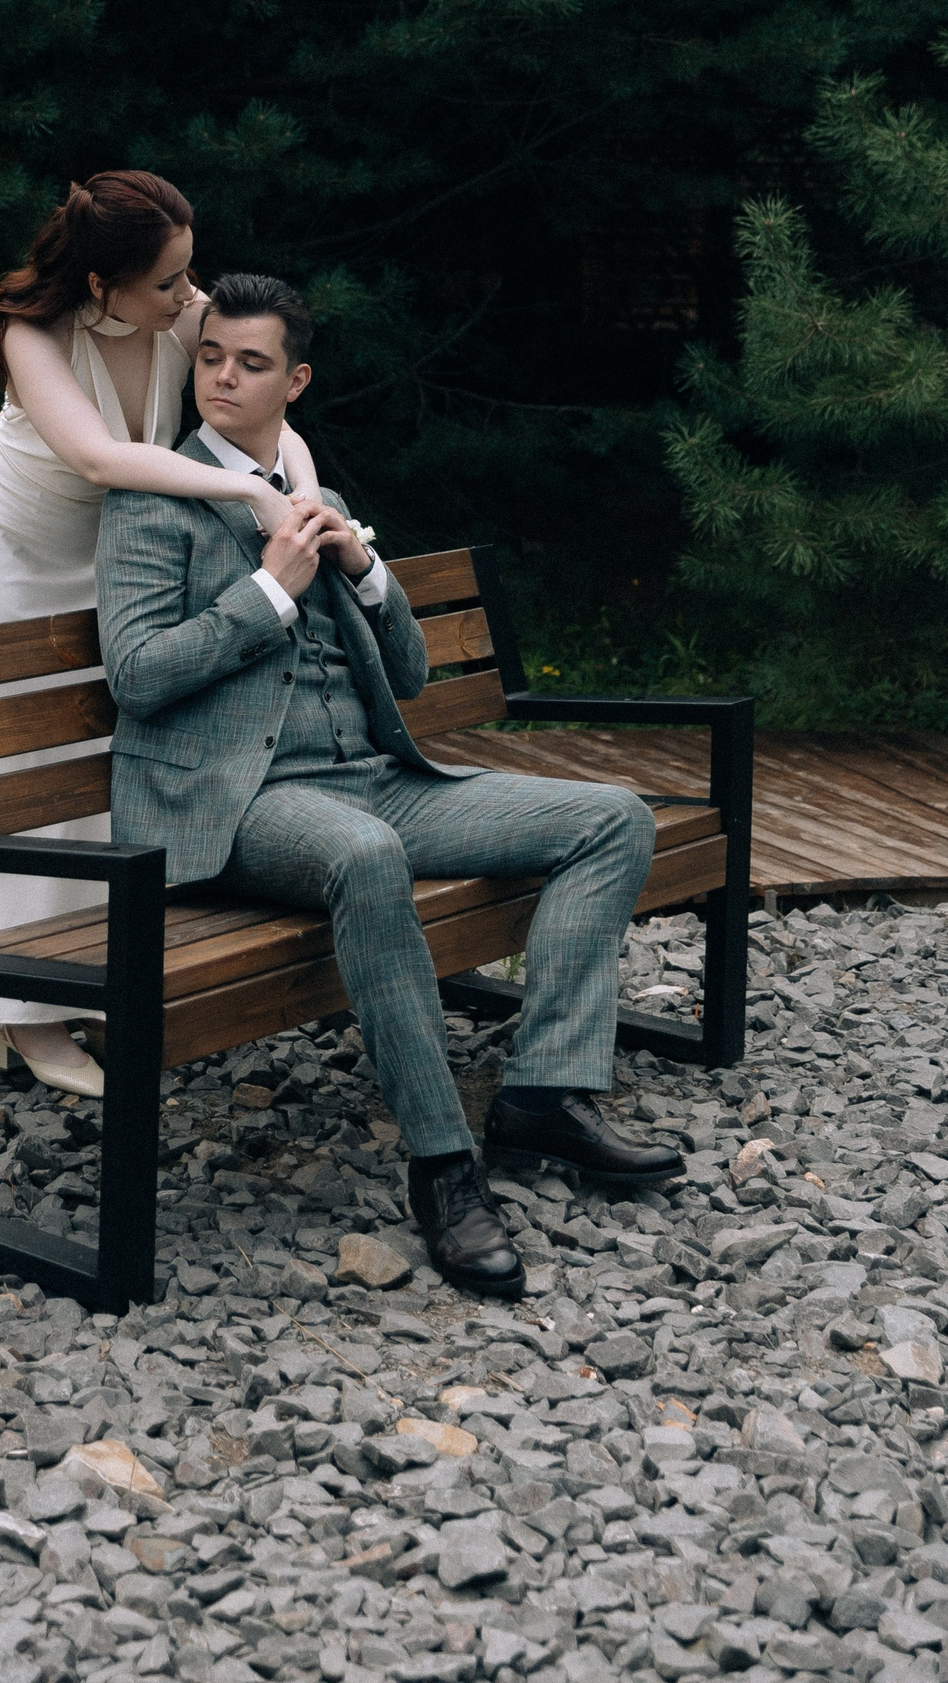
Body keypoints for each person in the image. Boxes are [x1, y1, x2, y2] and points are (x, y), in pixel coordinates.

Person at [96, 270, 682, 1296]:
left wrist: (364, 571)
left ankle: (543, 1095)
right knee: (367, 858)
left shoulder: (314, 497)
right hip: (240, 802)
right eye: (212, 357)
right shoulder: (153, 501)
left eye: (252, 363)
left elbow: (409, 675)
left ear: (296, 381)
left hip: (374, 779)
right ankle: (443, 1168)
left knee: (611, 819)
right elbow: (138, 677)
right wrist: (269, 591)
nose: (223, 377)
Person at [0, 173, 321, 1097]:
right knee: (15, 768)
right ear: (102, 285)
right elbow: (96, 458)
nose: (189, 295)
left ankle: (78, 968)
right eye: (169, 281)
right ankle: (19, 1012)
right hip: (7, 554)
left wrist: (301, 488)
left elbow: (273, 411)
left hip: (106, 552)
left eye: (188, 272)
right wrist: (249, 492)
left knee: (102, 750)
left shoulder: (175, 312)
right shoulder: (34, 336)